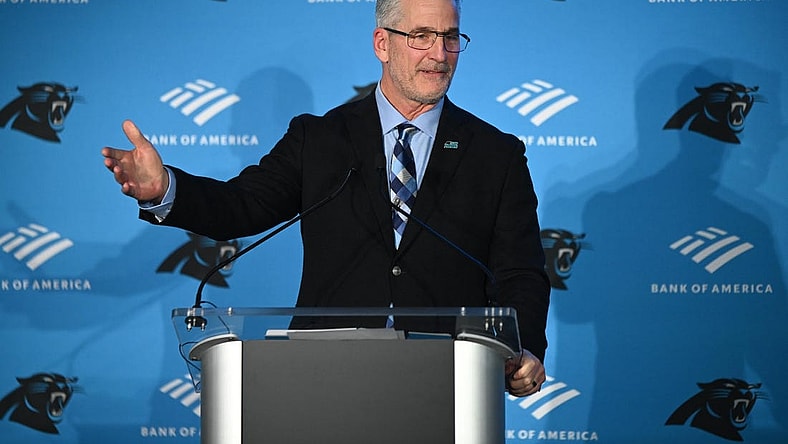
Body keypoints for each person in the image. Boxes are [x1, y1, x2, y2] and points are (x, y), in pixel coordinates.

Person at [102, 0, 550, 397]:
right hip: (324, 378)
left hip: (452, 382)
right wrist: (165, 189)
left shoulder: (496, 154)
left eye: (450, 37)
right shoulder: (319, 139)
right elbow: (242, 205)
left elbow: (520, 270)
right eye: (421, 36)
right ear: (382, 43)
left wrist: (523, 347)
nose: (439, 54)